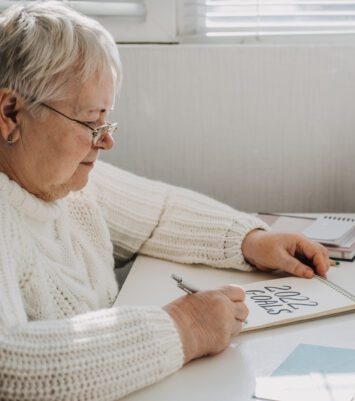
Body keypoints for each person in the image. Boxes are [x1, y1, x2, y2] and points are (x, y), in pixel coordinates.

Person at [0, 2, 330, 400]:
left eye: (107, 120)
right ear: (11, 113)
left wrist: (252, 241)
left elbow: (158, 213)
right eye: (90, 121)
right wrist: (185, 328)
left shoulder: (62, 183)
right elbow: (9, 368)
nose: (106, 141)